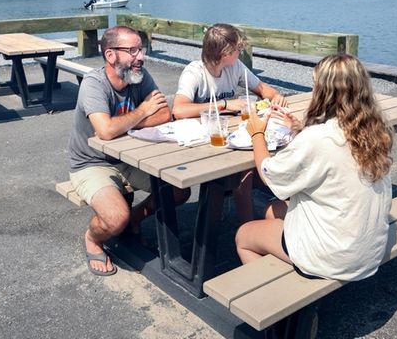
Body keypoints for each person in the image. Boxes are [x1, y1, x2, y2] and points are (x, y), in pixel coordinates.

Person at [236, 54, 394, 282]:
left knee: (244, 236)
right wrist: (298, 130)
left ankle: (282, 303)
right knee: (272, 211)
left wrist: (257, 134)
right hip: (368, 250)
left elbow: (268, 173)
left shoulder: (317, 139)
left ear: (323, 92)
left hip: (333, 257)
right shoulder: (375, 131)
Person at [68, 25, 189, 276]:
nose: (141, 57)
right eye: (132, 50)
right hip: (92, 163)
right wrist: (143, 111)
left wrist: (124, 124)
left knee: (179, 190)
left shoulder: (140, 76)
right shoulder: (94, 84)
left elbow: (165, 114)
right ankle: (93, 238)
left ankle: (136, 218)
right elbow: (105, 131)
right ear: (111, 55)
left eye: (141, 49)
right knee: (114, 218)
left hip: (129, 160)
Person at [172, 23, 287, 224]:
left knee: (254, 160)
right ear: (224, 53)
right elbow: (179, 110)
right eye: (237, 50)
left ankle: (245, 224)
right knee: (244, 172)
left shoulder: (235, 67)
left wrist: (275, 96)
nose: (240, 53)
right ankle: (247, 227)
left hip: (229, 135)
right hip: (200, 142)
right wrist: (225, 104)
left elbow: (261, 88)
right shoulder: (195, 72)